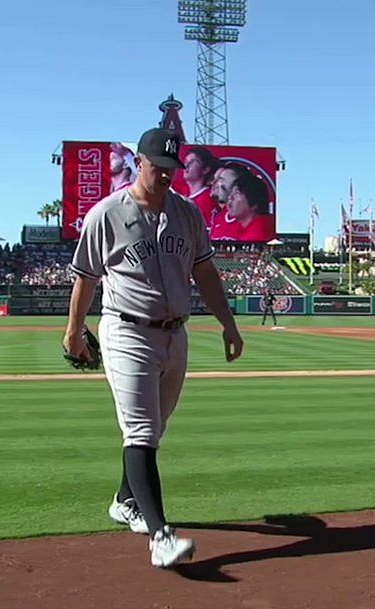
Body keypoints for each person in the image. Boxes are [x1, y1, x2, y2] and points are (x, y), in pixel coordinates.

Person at [64, 127, 244, 568]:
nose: (165, 176)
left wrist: (228, 324)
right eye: (157, 167)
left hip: (175, 333)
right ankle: (161, 537)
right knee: (141, 431)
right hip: (126, 332)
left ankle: (125, 501)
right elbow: (85, 277)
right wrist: (73, 331)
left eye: (172, 169)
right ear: (138, 163)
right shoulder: (105, 214)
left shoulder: (187, 214)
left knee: (154, 430)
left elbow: (205, 275)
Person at [210, 172, 273, 242]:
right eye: (231, 193)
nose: (230, 197)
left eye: (237, 193)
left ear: (254, 203)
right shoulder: (241, 226)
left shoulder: (261, 229)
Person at [181, 147, 219, 224]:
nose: (186, 165)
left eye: (192, 162)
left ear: (205, 169)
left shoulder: (209, 198)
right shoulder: (181, 194)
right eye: (185, 161)